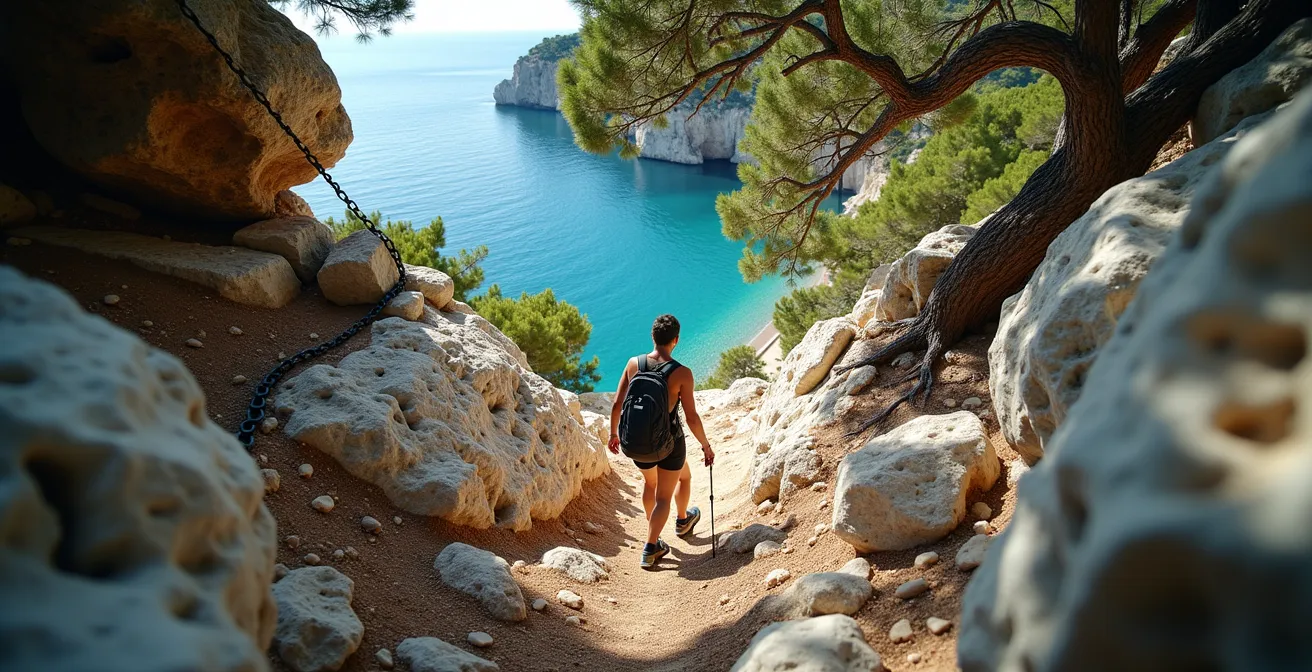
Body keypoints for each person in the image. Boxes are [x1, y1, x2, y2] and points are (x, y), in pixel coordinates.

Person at [608, 314, 715, 569]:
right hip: (668, 444)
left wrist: (613, 435)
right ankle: (655, 543)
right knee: (671, 489)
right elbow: (691, 418)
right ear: (675, 340)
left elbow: (616, 404)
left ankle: (665, 524)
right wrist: (706, 446)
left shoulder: (634, 363)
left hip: (636, 442)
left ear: (653, 337)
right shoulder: (682, 374)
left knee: (651, 483)